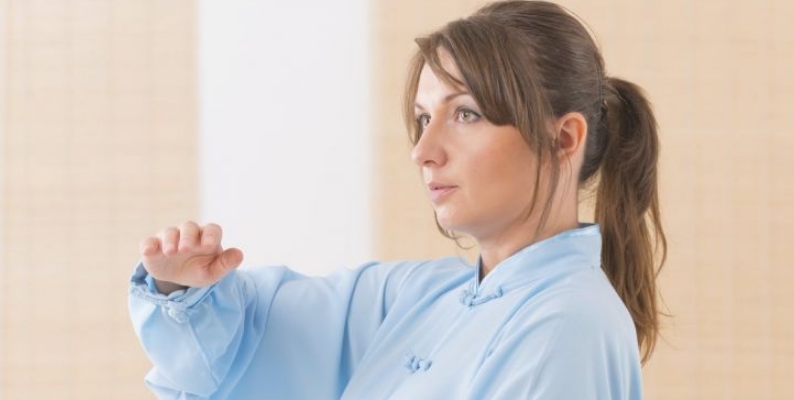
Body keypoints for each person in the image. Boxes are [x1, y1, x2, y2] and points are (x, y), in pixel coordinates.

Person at [128, 1, 667, 399]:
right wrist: (185, 290)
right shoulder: (416, 297)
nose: (423, 151)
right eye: (423, 119)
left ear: (563, 139)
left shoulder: (568, 325)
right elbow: (255, 338)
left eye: (466, 114)